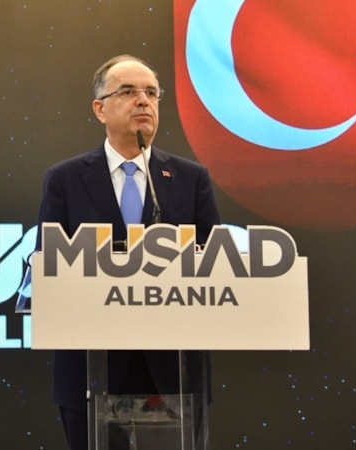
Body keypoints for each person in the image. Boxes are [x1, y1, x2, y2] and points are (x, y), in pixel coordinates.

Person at [35, 54, 221, 450]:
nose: (143, 101)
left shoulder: (190, 179)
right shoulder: (65, 179)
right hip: (92, 370)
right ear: (100, 109)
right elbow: (46, 267)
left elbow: (215, 264)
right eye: (128, 92)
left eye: (151, 93)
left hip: (173, 372)